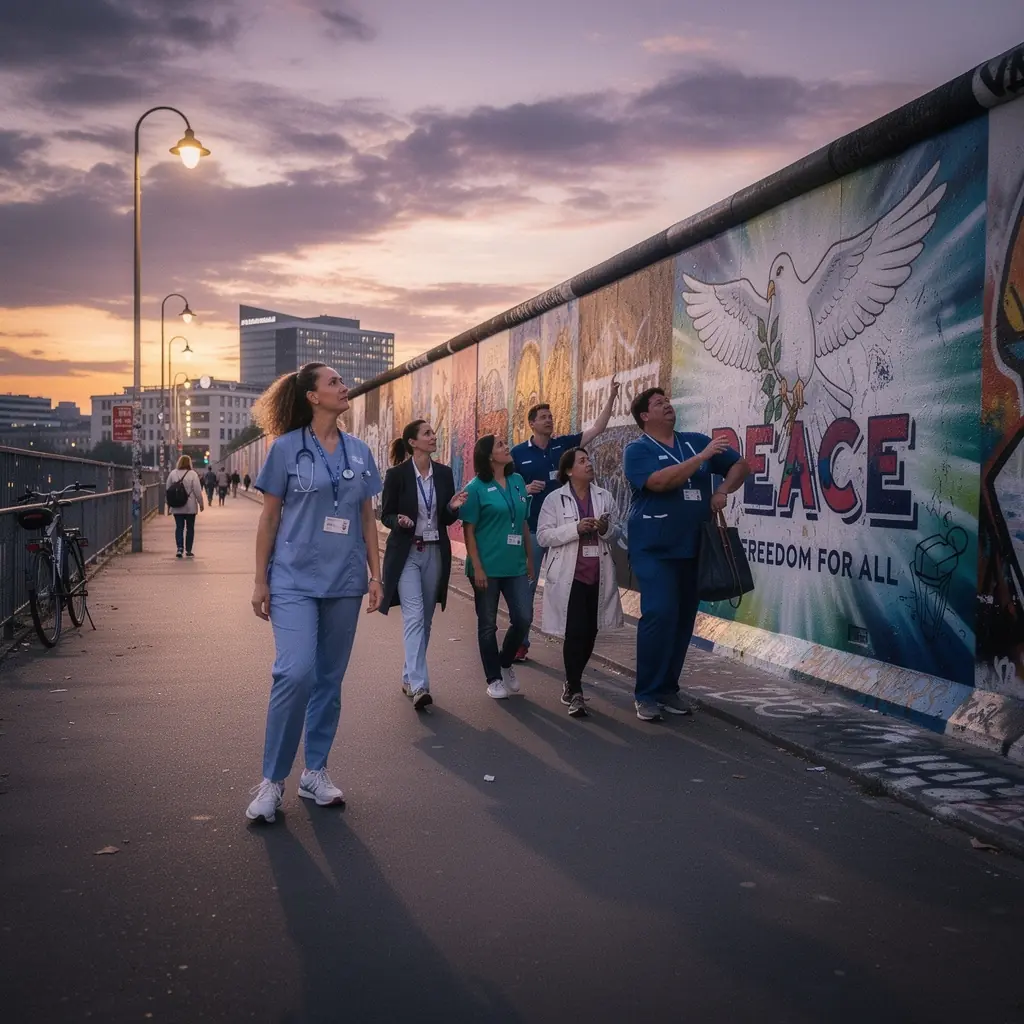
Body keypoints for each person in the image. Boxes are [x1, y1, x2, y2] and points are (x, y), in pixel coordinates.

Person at [245, 362, 383, 824]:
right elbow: (268, 519)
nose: (344, 387)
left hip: (344, 580)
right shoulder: (285, 449)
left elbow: (367, 519)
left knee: (329, 679)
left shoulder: (360, 451)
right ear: (312, 396)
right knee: (295, 671)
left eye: (342, 382)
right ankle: (271, 780)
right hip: (293, 580)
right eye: (334, 382)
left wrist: (375, 575)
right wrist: (260, 580)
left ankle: (315, 772)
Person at [623, 387, 749, 722]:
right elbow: (661, 482)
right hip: (654, 549)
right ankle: (646, 693)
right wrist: (702, 458)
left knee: (682, 620)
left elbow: (740, 464)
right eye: (658, 404)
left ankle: (667, 688)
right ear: (644, 416)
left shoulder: (693, 439)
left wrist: (722, 489)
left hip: (694, 547)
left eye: (668, 401)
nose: (667, 406)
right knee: (660, 612)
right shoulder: (637, 450)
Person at [510, 379, 621, 662]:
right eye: (543, 417)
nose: (549, 420)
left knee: (571, 586)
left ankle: (574, 642)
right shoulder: (518, 454)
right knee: (527, 587)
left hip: (571, 534)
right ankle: (520, 642)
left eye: (551, 416)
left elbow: (598, 429)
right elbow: (507, 487)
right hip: (535, 530)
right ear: (532, 424)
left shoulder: (565, 446)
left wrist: (611, 397)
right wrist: (524, 489)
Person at [379, 420, 469, 710]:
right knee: (415, 616)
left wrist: (452, 508)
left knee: (425, 619)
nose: (434, 437)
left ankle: (408, 675)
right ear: (413, 442)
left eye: (433, 432)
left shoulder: (443, 474)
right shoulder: (397, 475)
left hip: (434, 552)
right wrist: (399, 521)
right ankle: (420, 686)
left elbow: (444, 519)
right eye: (427, 433)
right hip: (407, 553)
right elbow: (386, 514)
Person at [536, 447, 624, 717]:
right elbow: (543, 537)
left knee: (590, 632)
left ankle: (572, 681)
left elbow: (617, 531)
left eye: (589, 460)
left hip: (598, 573)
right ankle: (574, 689)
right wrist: (575, 529)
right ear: (569, 471)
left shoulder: (604, 496)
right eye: (582, 461)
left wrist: (605, 528)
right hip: (569, 576)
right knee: (574, 632)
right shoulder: (554, 499)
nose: (589, 464)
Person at [461, 434, 535, 700]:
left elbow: (523, 523)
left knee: (524, 618)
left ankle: (505, 662)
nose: (507, 447)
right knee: (487, 624)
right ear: (489, 456)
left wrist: (529, 558)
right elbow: (468, 530)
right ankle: (493, 678)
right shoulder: (475, 488)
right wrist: (477, 567)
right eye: (501, 445)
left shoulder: (517, 482)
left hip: (515, 565)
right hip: (487, 568)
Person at [165, 454, 204, 558]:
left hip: (177, 506)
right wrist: (201, 503)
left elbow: (168, 489)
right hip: (190, 507)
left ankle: (179, 548)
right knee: (190, 528)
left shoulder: (173, 473)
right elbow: (197, 491)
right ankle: (189, 550)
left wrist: (168, 504)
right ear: (189, 463)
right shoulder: (193, 474)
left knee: (179, 527)